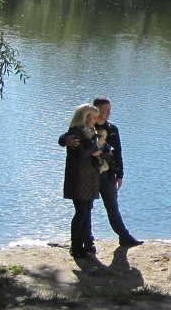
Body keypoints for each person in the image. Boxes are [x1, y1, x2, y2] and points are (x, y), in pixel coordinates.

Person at [60, 97, 143, 249]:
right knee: (86, 209)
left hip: (107, 174)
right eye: (104, 111)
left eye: (109, 111)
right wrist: (65, 140)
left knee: (112, 206)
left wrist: (120, 174)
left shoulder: (112, 129)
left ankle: (124, 236)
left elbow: (118, 153)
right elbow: (65, 137)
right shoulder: (85, 128)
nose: (107, 114)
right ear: (95, 111)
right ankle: (87, 241)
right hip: (89, 175)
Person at [60, 103, 104, 258]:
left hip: (89, 177)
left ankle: (81, 246)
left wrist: (100, 150)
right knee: (81, 212)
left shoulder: (90, 132)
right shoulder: (76, 132)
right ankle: (76, 247)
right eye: (92, 118)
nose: (95, 121)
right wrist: (95, 151)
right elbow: (80, 153)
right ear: (85, 118)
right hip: (78, 177)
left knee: (85, 212)